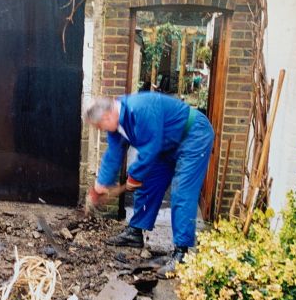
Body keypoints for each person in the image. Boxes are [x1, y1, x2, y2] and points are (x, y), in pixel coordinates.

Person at [85, 92, 214, 278]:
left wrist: (134, 176)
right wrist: (101, 183)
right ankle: (135, 232)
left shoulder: (140, 109)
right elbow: (113, 153)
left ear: (107, 116)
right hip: (166, 143)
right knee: (149, 183)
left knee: (182, 192)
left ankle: (181, 254)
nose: (99, 129)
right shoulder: (115, 124)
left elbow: (149, 149)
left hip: (193, 135)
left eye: (99, 126)